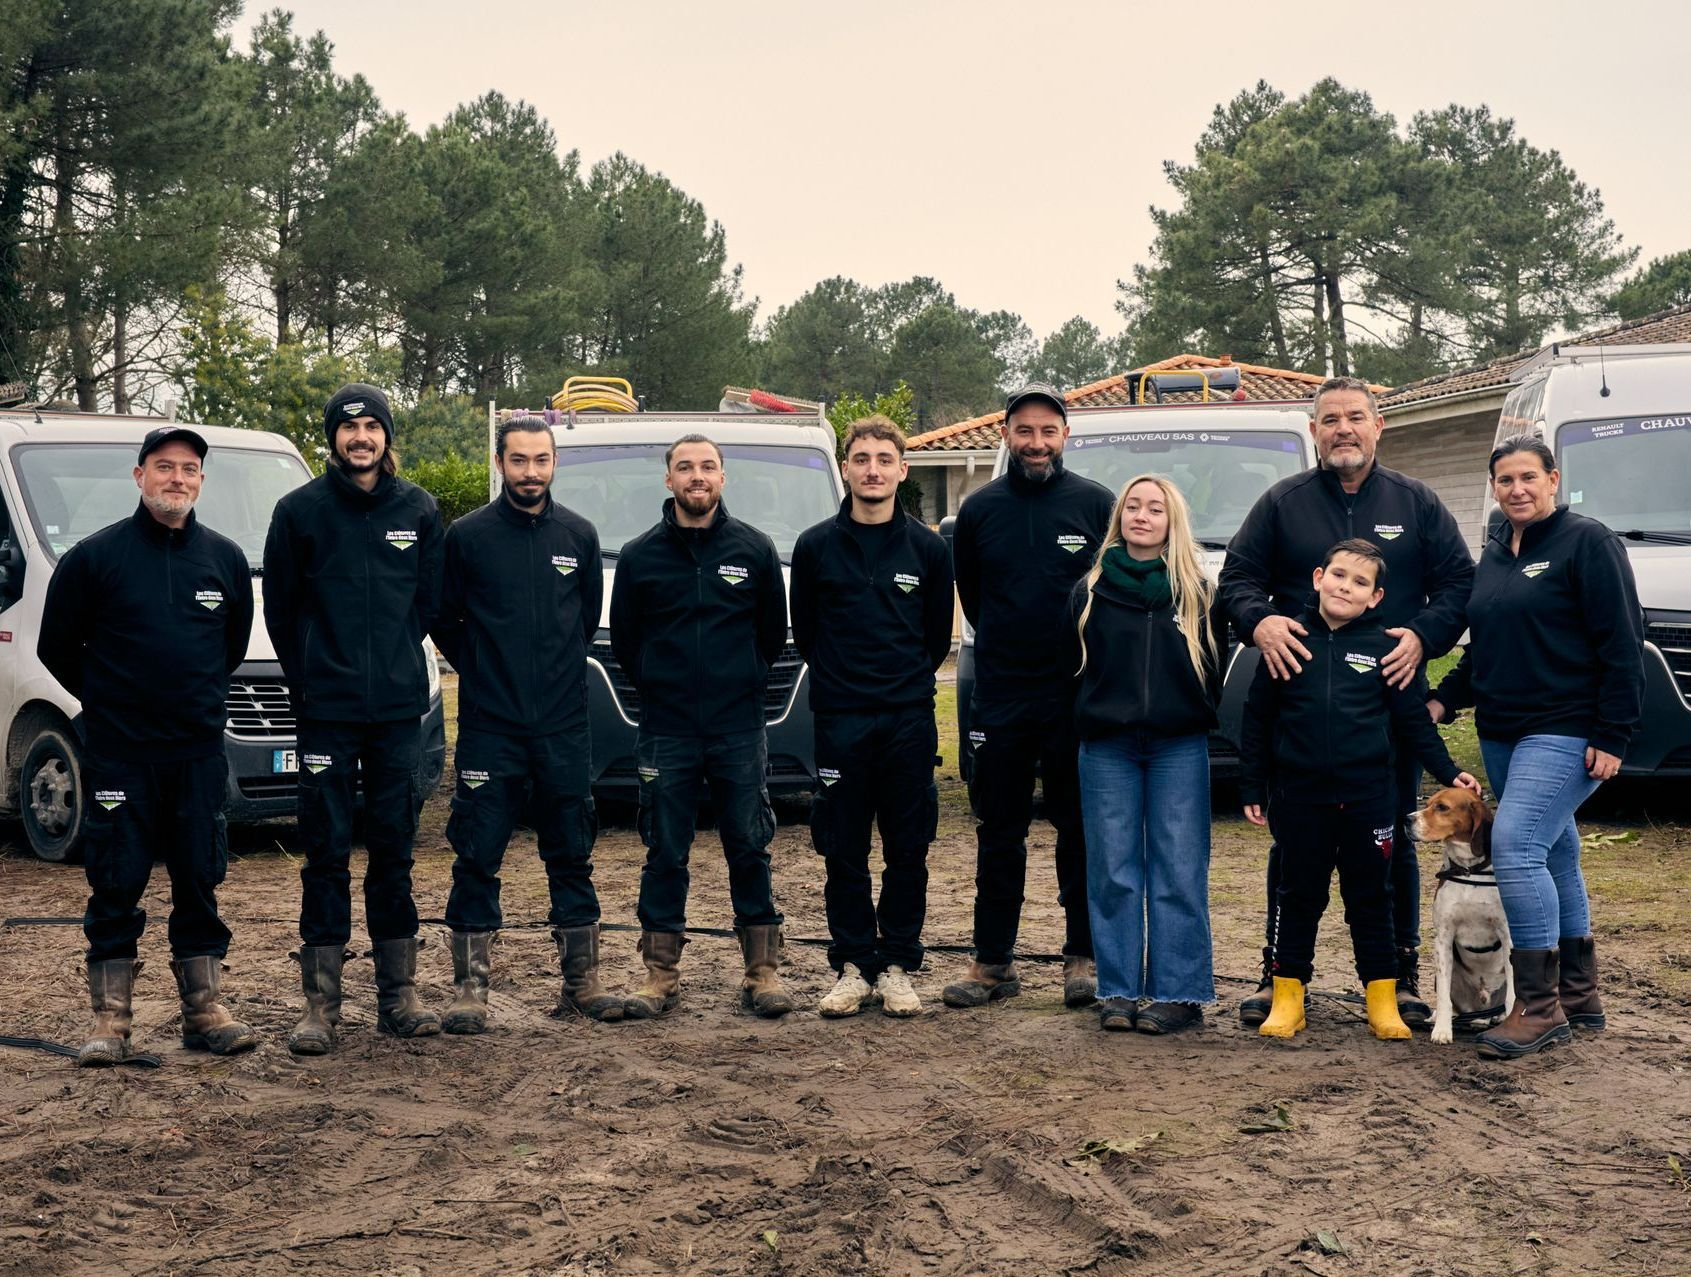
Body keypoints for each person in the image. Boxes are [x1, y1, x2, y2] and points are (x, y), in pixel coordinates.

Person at [1219, 375, 1474, 1028]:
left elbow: (1457, 581)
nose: (1342, 429)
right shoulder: (1281, 503)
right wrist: (1260, 622)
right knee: (1292, 858)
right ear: (1313, 430)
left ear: (1377, 424)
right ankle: (1277, 975)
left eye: (1354, 417)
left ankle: (1400, 976)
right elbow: (1237, 578)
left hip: (1383, 708)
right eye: (1328, 418)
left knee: (1390, 853)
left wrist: (1423, 635)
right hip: (1299, 715)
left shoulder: (1415, 503)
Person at [39, 426, 258, 1065]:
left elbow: (231, 648)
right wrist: (111, 705)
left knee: (198, 877)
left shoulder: (223, 561)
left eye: (189, 470)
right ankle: (111, 1020)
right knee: (117, 876)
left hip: (195, 753)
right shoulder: (94, 559)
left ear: (200, 481)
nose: (177, 480)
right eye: (165, 467)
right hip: (119, 755)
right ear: (139, 476)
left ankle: (204, 1010)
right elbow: (57, 647)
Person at [1428, 435, 1643, 1059]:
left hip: (1567, 726)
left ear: (1553, 480)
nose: (1516, 489)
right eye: (1504, 481)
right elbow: (1485, 646)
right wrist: (1442, 699)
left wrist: (1614, 731)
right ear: (1493, 489)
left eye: (1529, 477)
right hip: (1502, 729)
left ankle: (1539, 1006)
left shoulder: (1588, 543)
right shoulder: (1495, 556)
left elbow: (1622, 642)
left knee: (1517, 844)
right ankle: (1579, 995)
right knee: (1556, 853)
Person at [263, 383, 444, 1053]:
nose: (361, 436)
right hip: (326, 715)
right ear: (333, 438)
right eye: (349, 427)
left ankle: (399, 995)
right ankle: (321, 1004)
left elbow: (427, 605)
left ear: (386, 436)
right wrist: (313, 676)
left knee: (394, 849)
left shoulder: (419, 510)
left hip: (397, 712)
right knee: (325, 851)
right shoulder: (299, 512)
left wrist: (394, 662)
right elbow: (280, 611)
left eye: (372, 426)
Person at [1241, 539, 1478, 1041]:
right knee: (1298, 895)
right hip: (1298, 797)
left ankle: (1382, 997)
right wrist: (1252, 783)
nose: (1346, 587)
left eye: (1360, 582)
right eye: (1339, 576)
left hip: (1370, 798)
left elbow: (1415, 724)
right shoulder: (1288, 639)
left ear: (1375, 597)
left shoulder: (1387, 650)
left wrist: (1448, 770)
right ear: (1318, 578)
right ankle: (1288, 996)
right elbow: (1258, 719)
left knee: (1372, 897)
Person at [429, 415, 618, 1032]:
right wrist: (484, 671)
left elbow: (583, 617)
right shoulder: (467, 537)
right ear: (500, 463)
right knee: (476, 854)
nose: (530, 471)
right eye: (519, 460)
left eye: (541, 460)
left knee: (571, 851)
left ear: (553, 463)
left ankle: (582, 983)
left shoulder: (579, 535)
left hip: (563, 725)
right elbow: (444, 617)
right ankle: (470, 988)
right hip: (491, 725)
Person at [608, 434, 793, 1019]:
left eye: (707, 467)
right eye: (685, 467)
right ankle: (660, 975)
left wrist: (738, 684)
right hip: (666, 730)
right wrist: (662, 688)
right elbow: (628, 643)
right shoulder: (640, 557)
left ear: (722, 477)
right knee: (665, 849)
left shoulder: (756, 550)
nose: (696, 477)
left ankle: (762, 972)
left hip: (739, 728)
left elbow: (770, 637)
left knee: (750, 844)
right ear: (668, 480)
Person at [946, 382, 1115, 1010]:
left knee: (1079, 830)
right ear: (1006, 436)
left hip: (1076, 695)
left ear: (1065, 436)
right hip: (1002, 696)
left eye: (1048, 431)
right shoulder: (980, 511)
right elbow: (973, 597)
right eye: (1025, 431)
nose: (1036, 443)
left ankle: (1083, 957)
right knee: (999, 829)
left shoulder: (1098, 505)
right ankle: (992, 963)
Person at [789, 415, 954, 1019]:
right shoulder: (814, 547)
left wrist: (897, 687)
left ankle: (898, 966)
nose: (873, 470)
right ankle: (854, 965)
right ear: (848, 469)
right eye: (861, 459)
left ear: (902, 471)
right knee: (843, 847)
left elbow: (937, 637)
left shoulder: (929, 549)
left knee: (909, 848)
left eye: (885, 459)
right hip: (839, 720)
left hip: (908, 721)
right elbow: (807, 631)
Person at [1064, 475, 1225, 1034]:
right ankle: (1119, 991)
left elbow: (1215, 667)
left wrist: (1186, 709)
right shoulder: (1089, 590)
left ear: (1171, 521)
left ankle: (1178, 995)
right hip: (1107, 747)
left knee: (1179, 869)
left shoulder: (1197, 591)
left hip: (1178, 746)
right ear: (1119, 518)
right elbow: (1071, 668)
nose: (1142, 515)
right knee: (1112, 870)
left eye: (1155, 508)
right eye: (1133, 506)